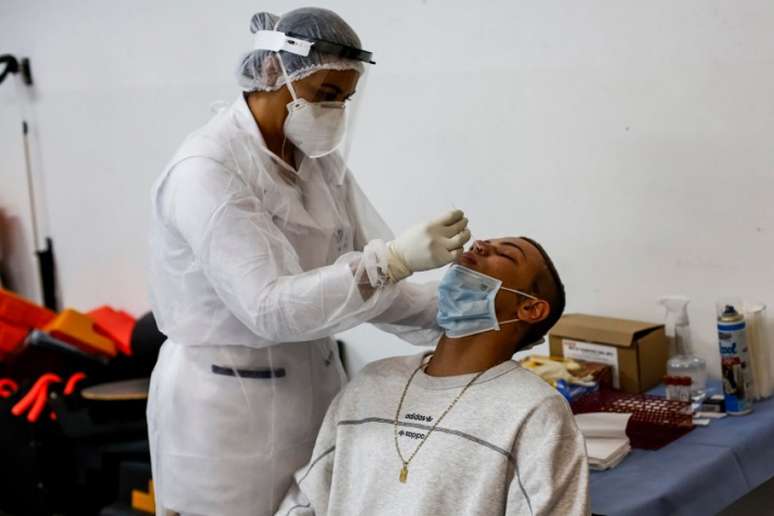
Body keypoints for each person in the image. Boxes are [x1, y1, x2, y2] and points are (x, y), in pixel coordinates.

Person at [146, 8, 471, 516]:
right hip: (226, 413)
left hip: (315, 390)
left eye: (345, 98)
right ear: (275, 74)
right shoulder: (207, 171)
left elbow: (371, 286)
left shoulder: (319, 163)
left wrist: (461, 314)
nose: (336, 110)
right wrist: (391, 262)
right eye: (326, 95)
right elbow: (270, 308)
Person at [275, 238, 590, 516]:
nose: (479, 244)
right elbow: (307, 501)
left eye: (505, 254)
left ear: (530, 308)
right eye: (485, 242)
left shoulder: (534, 412)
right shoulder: (372, 383)